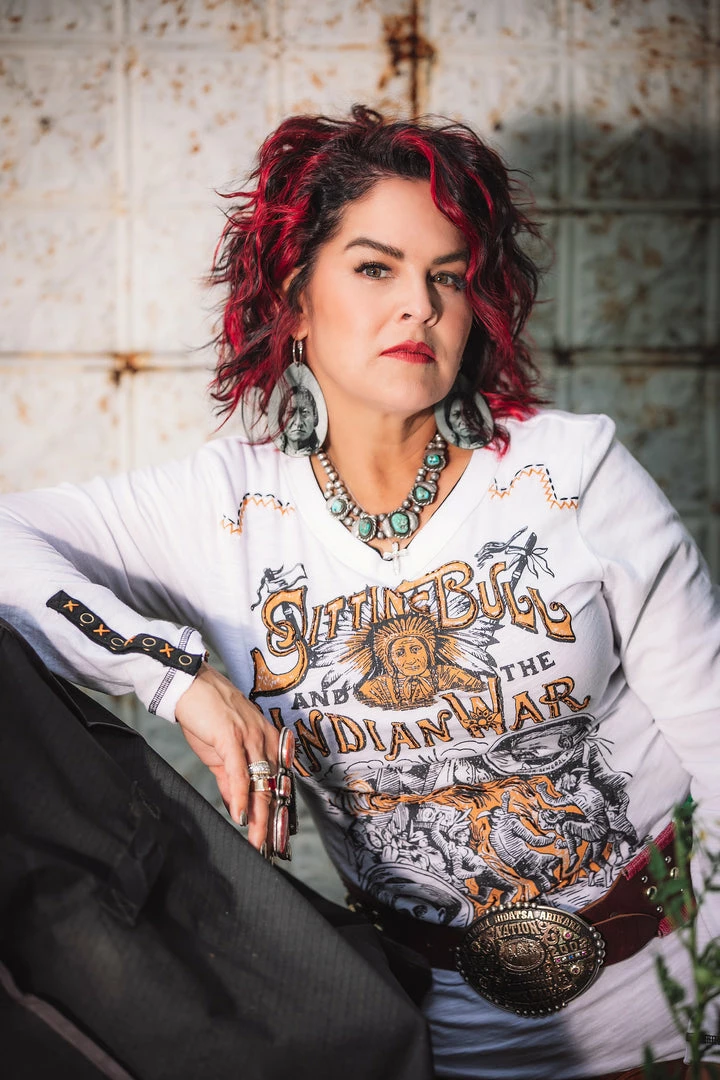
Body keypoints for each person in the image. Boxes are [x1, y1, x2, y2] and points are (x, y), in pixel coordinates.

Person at [0, 104, 718, 1079]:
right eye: (377, 268)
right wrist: (175, 677)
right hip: (440, 1047)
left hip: (690, 1004)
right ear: (294, 297)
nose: (418, 305)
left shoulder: (570, 471)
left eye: (448, 277)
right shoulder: (224, 509)